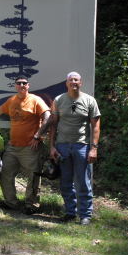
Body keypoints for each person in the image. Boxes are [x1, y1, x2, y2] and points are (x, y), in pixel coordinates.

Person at [0, 75, 50, 214]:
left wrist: (38, 136)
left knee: (34, 176)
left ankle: (31, 204)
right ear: (15, 86)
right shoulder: (11, 101)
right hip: (13, 147)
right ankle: (11, 203)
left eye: (24, 83)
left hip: (30, 147)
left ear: (28, 85)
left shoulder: (35, 100)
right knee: (4, 173)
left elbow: (48, 116)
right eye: (19, 83)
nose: (21, 85)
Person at [50, 72, 101, 225]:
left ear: (81, 83)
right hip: (62, 146)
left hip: (82, 146)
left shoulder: (89, 100)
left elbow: (96, 126)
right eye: (71, 80)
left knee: (83, 182)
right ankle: (70, 212)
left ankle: (85, 215)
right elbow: (53, 124)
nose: (73, 82)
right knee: (66, 182)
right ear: (66, 83)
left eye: (76, 80)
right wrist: (51, 146)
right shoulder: (59, 100)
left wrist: (94, 148)